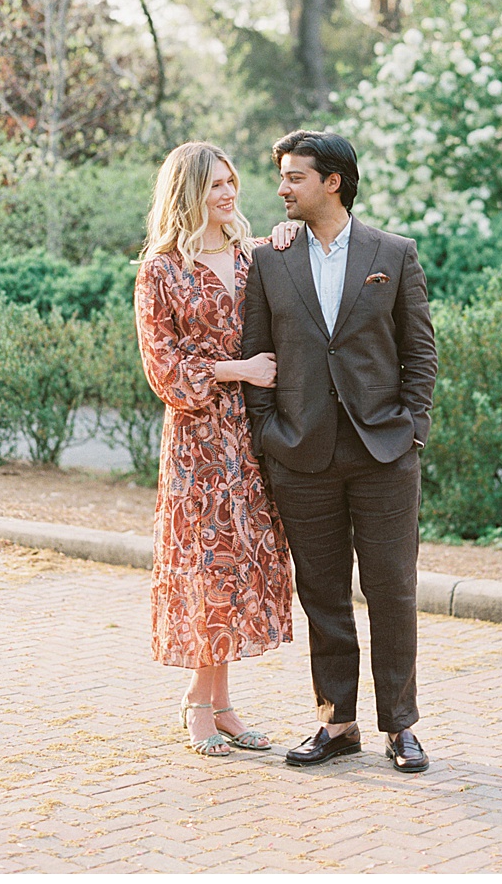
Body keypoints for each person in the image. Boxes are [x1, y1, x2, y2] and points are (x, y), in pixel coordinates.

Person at [241, 130, 438, 774]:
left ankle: (400, 727)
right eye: (283, 176)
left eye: (295, 176)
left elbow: (420, 352)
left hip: (384, 453)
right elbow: (258, 352)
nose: (282, 187)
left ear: (334, 181)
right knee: (322, 593)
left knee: (392, 591)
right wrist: (270, 434)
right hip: (301, 454)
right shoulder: (270, 259)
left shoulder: (394, 253)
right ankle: (338, 723)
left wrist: (411, 429)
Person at [135, 141, 299, 756]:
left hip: (254, 435)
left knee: (239, 564)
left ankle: (223, 703)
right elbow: (165, 369)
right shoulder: (159, 271)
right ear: (187, 195)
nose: (228, 195)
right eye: (214, 187)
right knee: (205, 566)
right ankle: (197, 704)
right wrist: (240, 370)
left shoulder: (250, 256)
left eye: (231, 182)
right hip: (198, 440)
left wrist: (289, 235)